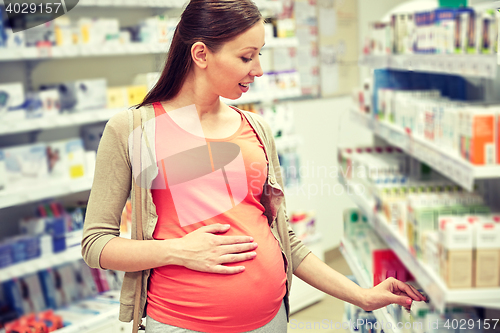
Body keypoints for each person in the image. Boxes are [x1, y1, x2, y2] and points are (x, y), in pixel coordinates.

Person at [81, 0, 426, 332]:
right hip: (183, 323)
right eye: (247, 57)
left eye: (259, 54)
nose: (259, 69)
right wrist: (178, 251)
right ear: (201, 53)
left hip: (271, 319)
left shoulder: (255, 128)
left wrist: (362, 296)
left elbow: (284, 237)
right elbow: (96, 244)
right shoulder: (133, 130)